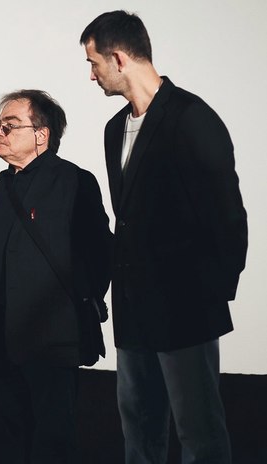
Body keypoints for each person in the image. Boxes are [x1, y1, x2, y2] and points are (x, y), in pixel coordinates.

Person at [80, 11, 248, 463]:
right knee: (139, 428)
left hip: (186, 309)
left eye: (94, 63)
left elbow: (228, 219)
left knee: (199, 433)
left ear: (119, 58)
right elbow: (128, 221)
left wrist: (205, 296)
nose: (91, 75)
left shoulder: (192, 117)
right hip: (133, 311)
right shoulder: (114, 129)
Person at [0, 89, 112, 463]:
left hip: (51, 339)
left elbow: (100, 254)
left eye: (10, 125)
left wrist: (71, 305)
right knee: (8, 437)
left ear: (41, 134)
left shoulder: (74, 181)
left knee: (53, 438)